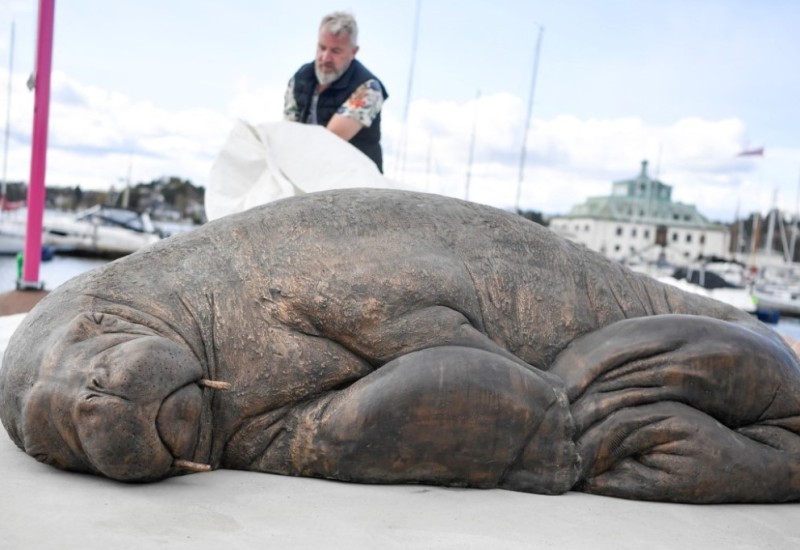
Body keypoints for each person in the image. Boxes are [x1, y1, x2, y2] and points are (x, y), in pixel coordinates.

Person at [284, 11, 388, 172]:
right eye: (322, 47)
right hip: (307, 173)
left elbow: (331, 141)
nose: (325, 57)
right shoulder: (300, 79)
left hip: (357, 181)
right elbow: (289, 132)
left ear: (354, 52)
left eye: (335, 51)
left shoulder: (369, 88)